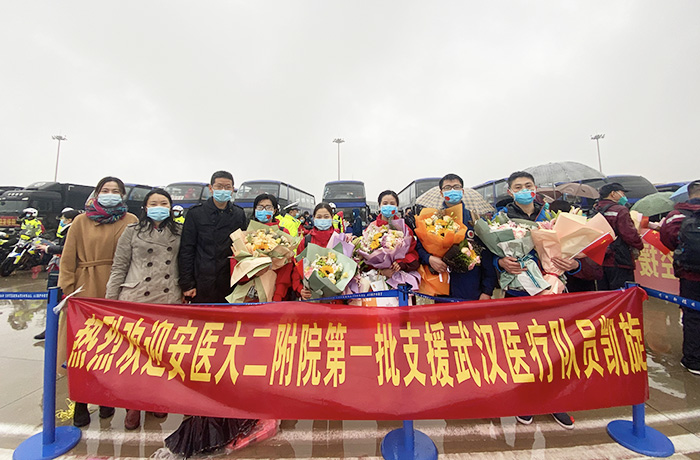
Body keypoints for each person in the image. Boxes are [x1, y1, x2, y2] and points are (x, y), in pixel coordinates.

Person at [166, 192, 281, 456]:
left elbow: (288, 270)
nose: (265, 210)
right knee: (218, 348)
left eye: (269, 207)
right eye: (260, 207)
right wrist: (189, 283)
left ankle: (259, 402)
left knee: (259, 353)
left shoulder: (278, 233)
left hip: (264, 300)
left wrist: (273, 291)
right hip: (223, 293)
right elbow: (196, 252)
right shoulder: (238, 230)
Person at [497, 171, 579, 430]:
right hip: (520, 291)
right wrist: (500, 261)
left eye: (528, 185)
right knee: (522, 347)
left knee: (554, 346)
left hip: (553, 290)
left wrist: (574, 264)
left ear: (535, 188)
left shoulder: (554, 217)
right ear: (510, 192)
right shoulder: (501, 219)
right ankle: (525, 399)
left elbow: (576, 251)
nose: (524, 190)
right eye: (518, 187)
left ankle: (555, 400)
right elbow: (490, 255)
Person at [59, 176, 139, 427]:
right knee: (83, 348)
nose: (110, 194)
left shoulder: (131, 220)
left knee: (112, 349)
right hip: (86, 289)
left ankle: (107, 398)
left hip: (120, 289)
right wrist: (67, 289)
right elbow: (67, 258)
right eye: (106, 190)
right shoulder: (81, 221)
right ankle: (81, 401)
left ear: (122, 195)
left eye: (116, 190)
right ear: (97, 193)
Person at [105, 189, 182, 429]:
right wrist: (111, 300)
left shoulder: (180, 231)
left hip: (169, 298)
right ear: (145, 207)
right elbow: (119, 266)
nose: (159, 207)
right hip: (136, 298)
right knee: (135, 356)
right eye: (153, 203)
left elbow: (185, 262)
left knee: (162, 355)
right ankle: (133, 404)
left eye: (163, 203)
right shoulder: (132, 232)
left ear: (170, 207)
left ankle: (157, 399)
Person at [415, 174, 497, 301]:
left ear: (462, 191)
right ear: (441, 193)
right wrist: (429, 258)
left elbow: (486, 255)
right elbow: (419, 247)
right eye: (447, 188)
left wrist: (487, 290)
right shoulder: (432, 219)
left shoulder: (474, 220)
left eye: (456, 187)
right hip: (442, 285)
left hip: (470, 287)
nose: (452, 190)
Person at [178, 171, 247, 303]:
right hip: (202, 280)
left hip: (229, 280)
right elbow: (187, 250)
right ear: (211, 188)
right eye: (219, 186)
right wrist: (187, 284)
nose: (223, 190)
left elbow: (242, 248)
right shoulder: (196, 213)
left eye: (227, 187)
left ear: (233, 190)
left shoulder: (238, 214)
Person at [660, 179, 700, 374]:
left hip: (689, 275)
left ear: (689, 193)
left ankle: (693, 360)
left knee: (692, 315)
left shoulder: (676, 215)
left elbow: (666, 239)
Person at [33, 209, 81, 341]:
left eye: (63, 218)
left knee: (57, 298)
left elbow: (67, 249)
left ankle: (53, 329)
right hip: (60, 266)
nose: (61, 221)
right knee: (56, 299)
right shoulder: (69, 230)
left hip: (63, 268)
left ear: (70, 220)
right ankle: (51, 328)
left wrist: (48, 248)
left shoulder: (73, 230)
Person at [592, 182, 644, 290]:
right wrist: (639, 245)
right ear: (613, 193)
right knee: (622, 295)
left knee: (605, 295)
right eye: (622, 193)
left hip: (599, 260)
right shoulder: (620, 210)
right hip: (619, 260)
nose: (624, 196)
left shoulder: (595, 209)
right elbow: (629, 234)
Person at [365, 190, 420, 281]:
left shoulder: (404, 229)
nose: (388, 206)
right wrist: (380, 271)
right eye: (385, 203)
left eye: (392, 203)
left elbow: (413, 253)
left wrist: (400, 263)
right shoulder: (371, 228)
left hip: (400, 277)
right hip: (377, 279)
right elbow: (365, 256)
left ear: (397, 206)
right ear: (379, 205)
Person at [296, 203, 345, 300]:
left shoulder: (340, 239)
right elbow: (297, 268)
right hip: (311, 295)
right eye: (319, 217)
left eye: (326, 217)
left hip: (336, 297)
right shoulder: (306, 241)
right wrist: (300, 288)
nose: (322, 220)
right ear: (313, 218)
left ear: (332, 218)